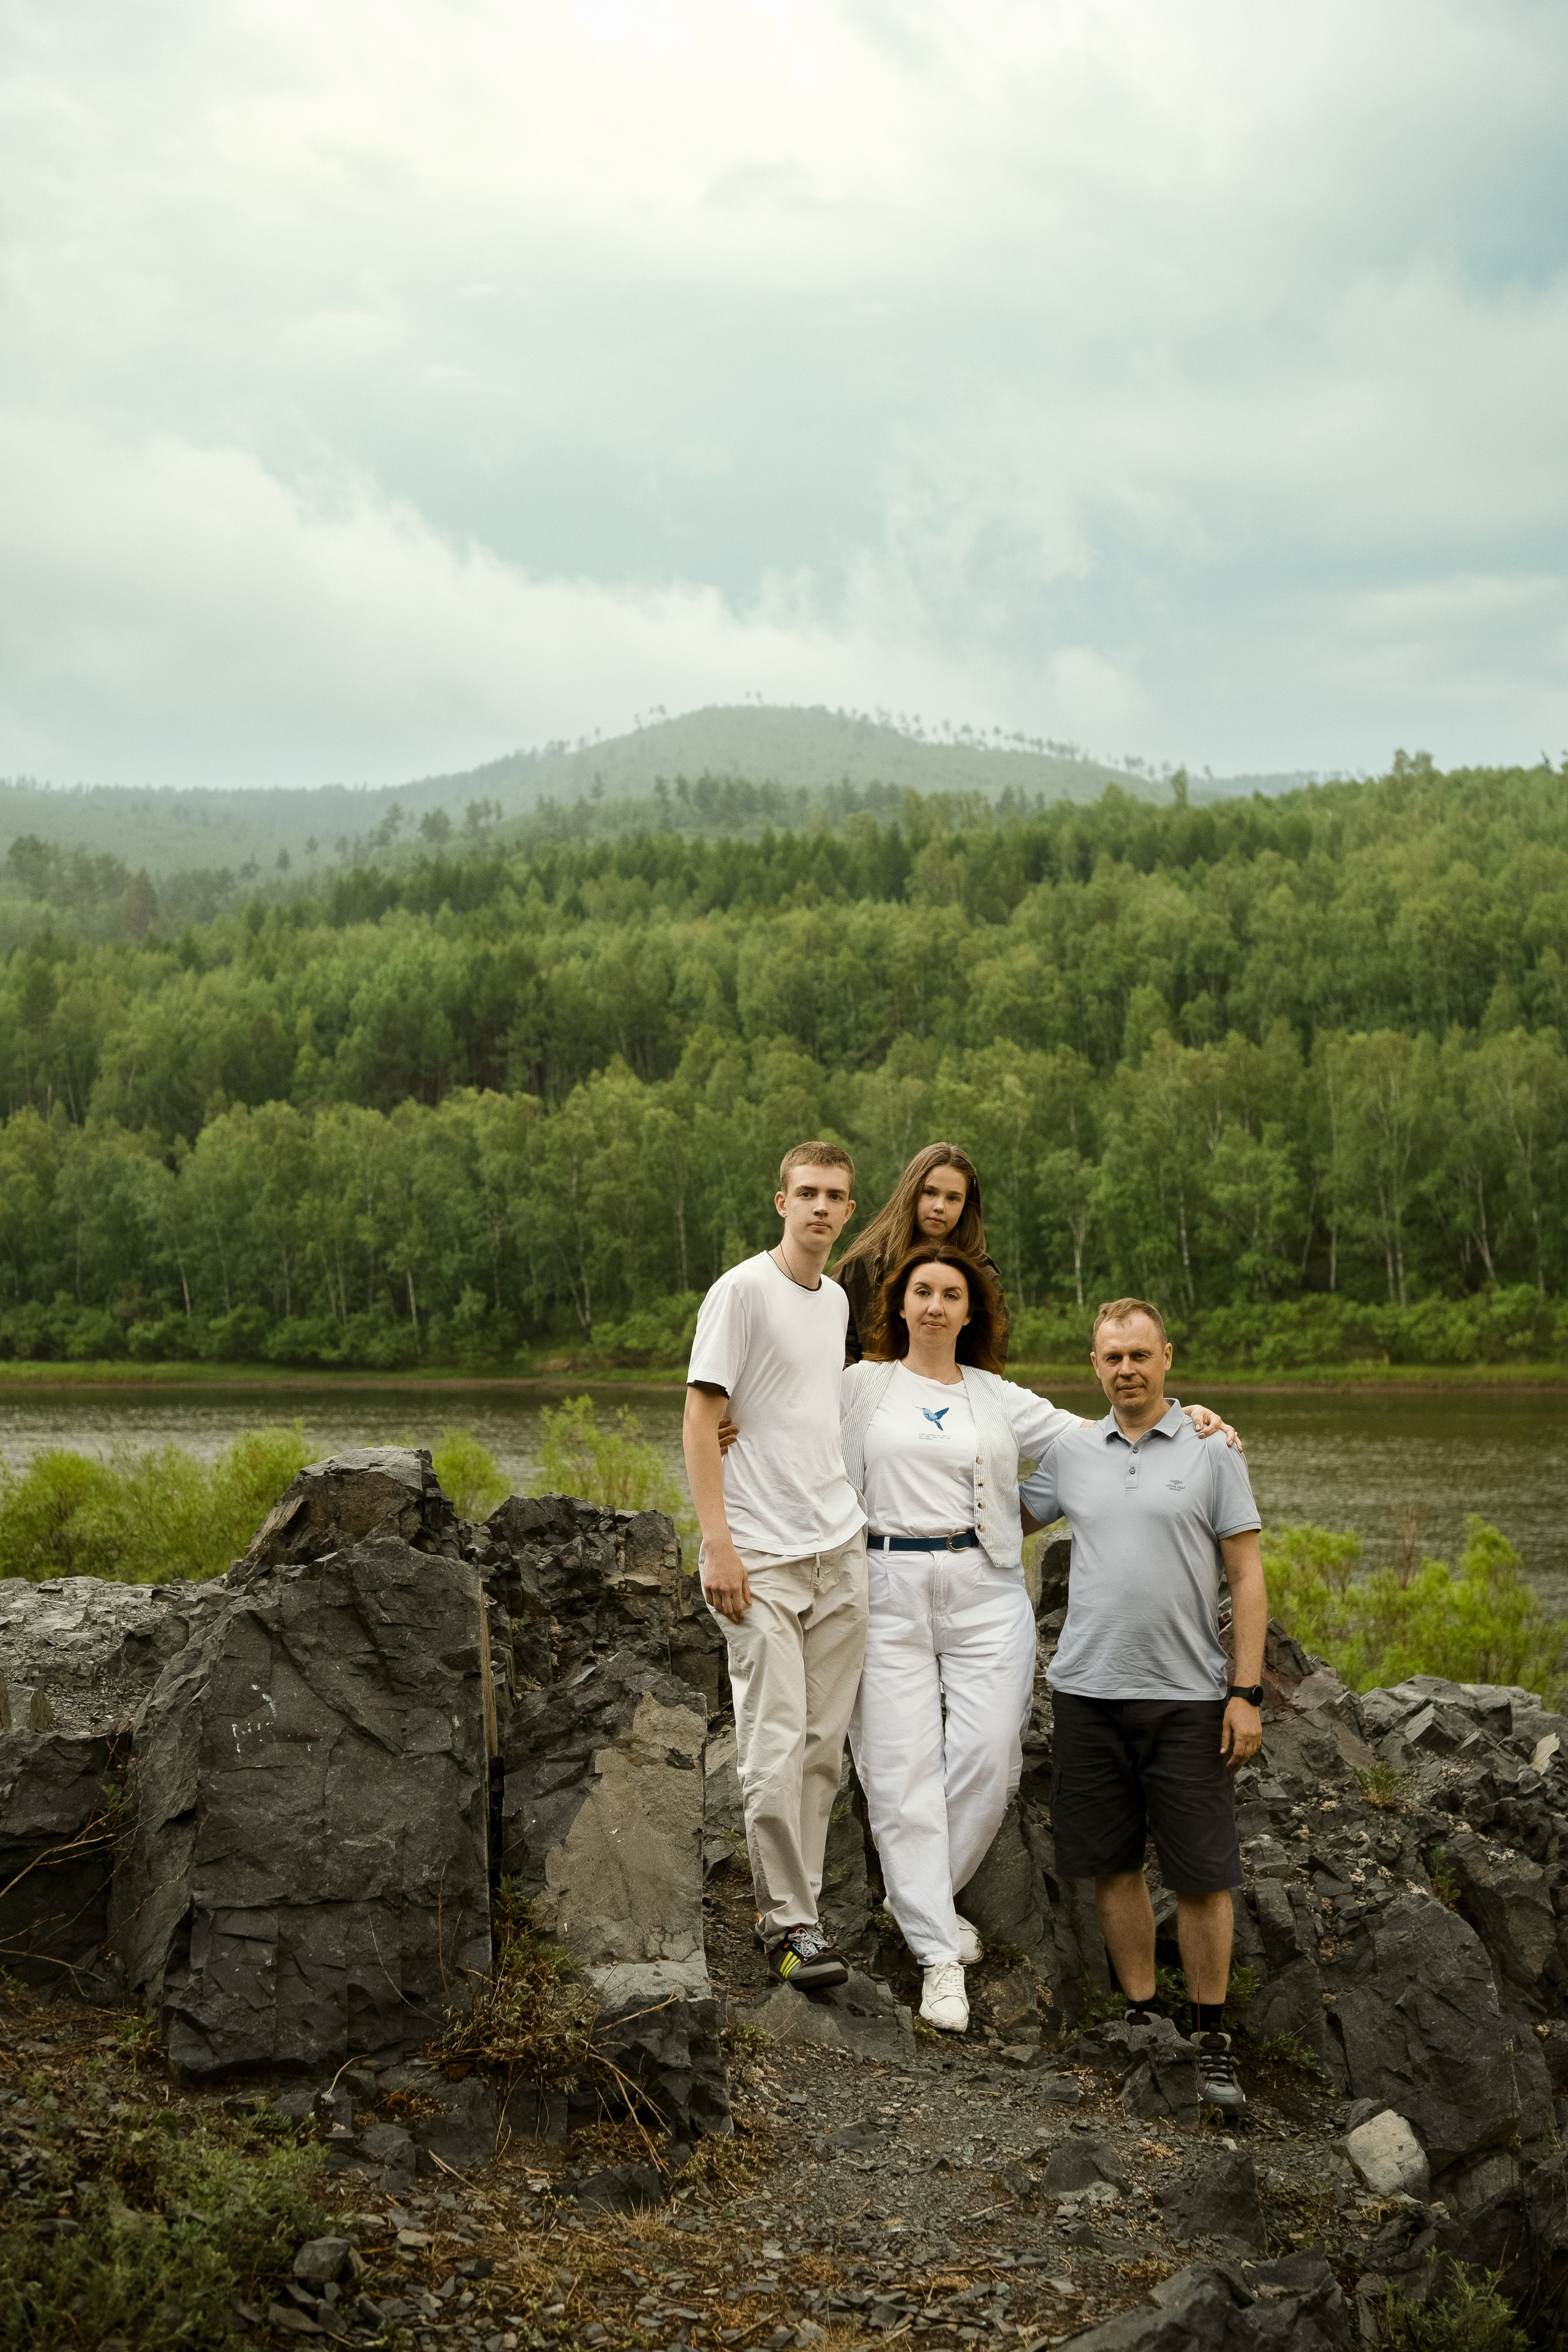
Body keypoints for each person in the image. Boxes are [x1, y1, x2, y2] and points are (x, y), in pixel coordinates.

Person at [839, 1247, 1240, 2037]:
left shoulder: (995, 1395)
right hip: (884, 1582)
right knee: (898, 1768)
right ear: (899, 1303)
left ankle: (914, 1898)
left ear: (970, 1312)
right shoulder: (859, 1386)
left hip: (981, 1583)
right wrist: (726, 1423)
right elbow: (785, 1419)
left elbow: (1107, 1431)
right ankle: (938, 1956)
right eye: (922, 1292)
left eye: (951, 1294)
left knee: (990, 1760)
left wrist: (1196, 1419)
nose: (935, 1306)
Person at [1018, 1296, 1267, 2114]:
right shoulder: (1071, 1453)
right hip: (1087, 1693)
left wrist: (1245, 1693)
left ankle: (1211, 2035)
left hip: (1188, 1697)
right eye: (1111, 1357)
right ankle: (1143, 2017)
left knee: (1202, 1874)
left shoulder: (1211, 1449)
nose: (1126, 1369)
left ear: (1165, 1358)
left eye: (1139, 1355)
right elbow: (995, 1516)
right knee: (1113, 1864)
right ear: (1094, 1367)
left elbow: (1247, 1576)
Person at [682, 1142, 868, 1991]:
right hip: (759, 1559)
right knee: (773, 1743)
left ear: (849, 1210)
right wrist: (717, 1543)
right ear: (781, 1202)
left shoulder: (835, 1300)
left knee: (823, 1750)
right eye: (807, 1193)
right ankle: (786, 1926)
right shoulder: (741, 1291)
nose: (821, 1207)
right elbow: (701, 1417)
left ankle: (808, 1914)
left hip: (837, 1551)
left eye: (835, 1196)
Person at [835, 1144, 1011, 1366]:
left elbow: (991, 1356)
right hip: (871, 1385)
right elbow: (837, 1346)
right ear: (911, 1192)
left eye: (953, 1198)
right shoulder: (866, 1264)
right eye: (930, 1192)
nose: (939, 1206)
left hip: (953, 1386)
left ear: (966, 1205)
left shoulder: (981, 1275)